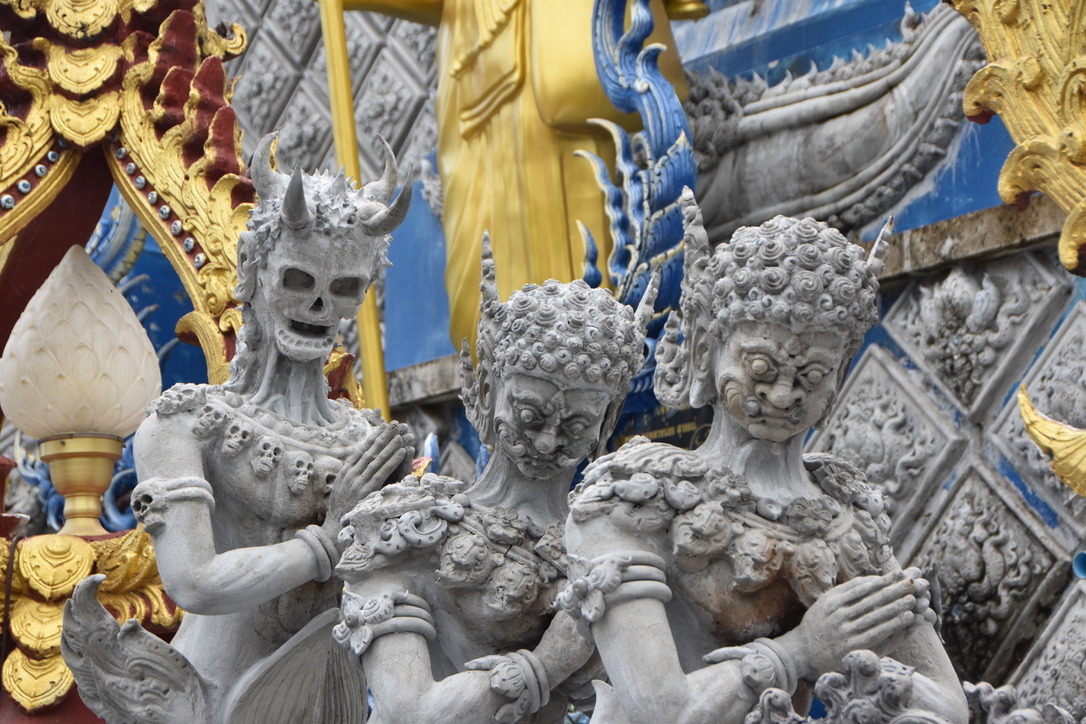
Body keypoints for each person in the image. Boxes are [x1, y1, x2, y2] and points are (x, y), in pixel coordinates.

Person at [558, 191, 968, 724]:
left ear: (840, 374)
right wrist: (800, 653)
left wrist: (873, 677)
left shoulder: (846, 512)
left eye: (811, 375)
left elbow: (948, 703)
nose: (782, 395)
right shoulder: (633, 498)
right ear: (707, 348)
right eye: (760, 368)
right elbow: (661, 710)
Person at [69, 132, 415, 722]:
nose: (320, 307)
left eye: (344, 288)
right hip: (209, 702)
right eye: (299, 280)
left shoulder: (365, 443)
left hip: (332, 702)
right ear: (254, 276)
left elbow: (397, 600)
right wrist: (331, 539)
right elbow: (195, 583)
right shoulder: (185, 425)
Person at [331, 237, 657, 723]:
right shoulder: (412, 529)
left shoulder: (606, 539)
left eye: (575, 425)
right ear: (486, 393)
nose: (547, 441)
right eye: (529, 415)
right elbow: (408, 711)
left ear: (607, 422)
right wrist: (546, 666)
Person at [342, 0, 687, 350]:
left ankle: (593, 362)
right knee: (481, 308)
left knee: (580, 285)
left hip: (549, 59)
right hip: (469, 81)